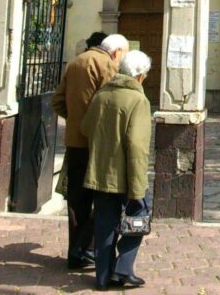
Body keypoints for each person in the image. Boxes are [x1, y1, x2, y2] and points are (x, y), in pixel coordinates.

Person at [52, 32, 129, 270]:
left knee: (77, 200)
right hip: (99, 144)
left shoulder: (76, 61)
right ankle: (87, 249)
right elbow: (111, 103)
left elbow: (57, 101)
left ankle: (74, 254)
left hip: (75, 142)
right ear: (116, 52)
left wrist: (75, 120)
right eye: (122, 56)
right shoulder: (107, 65)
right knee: (105, 198)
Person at [82, 49, 153, 290]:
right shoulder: (138, 101)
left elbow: (86, 127)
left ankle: (102, 277)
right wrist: (137, 186)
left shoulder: (102, 95)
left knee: (104, 225)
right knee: (139, 218)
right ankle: (123, 269)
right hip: (126, 175)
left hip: (100, 172)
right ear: (140, 76)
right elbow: (137, 146)